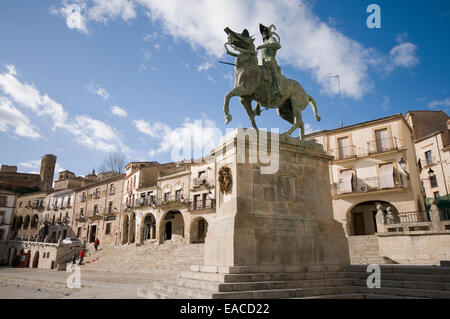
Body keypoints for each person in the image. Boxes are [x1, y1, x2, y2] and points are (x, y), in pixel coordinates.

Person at [257, 23, 282, 100]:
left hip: (270, 60)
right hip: (262, 62)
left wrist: (264, 46)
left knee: (273, 72)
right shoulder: (264, 43)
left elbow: (278, 45)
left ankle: (278, 89)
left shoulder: (272, 39)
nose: (264, 33)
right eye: (263, 33)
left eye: (265, 32)